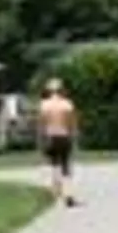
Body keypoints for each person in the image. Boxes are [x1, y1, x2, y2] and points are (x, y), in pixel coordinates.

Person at [38, 77, 79, 206]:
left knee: (54, 164)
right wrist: (74, 137)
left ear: (49, 91)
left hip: (50, 137)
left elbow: (42, 124)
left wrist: (41, 140)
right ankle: (68, 194)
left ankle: (56, 191)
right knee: (66, 166)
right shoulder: (67, 104)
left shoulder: (44, 105)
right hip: (64, 136)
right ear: (61, 90)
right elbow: (72, 124)